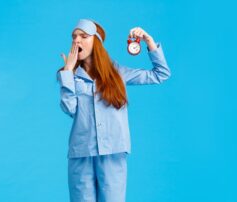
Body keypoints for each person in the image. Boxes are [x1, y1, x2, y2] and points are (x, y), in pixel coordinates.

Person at [57, 19, 171, 202]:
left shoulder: (119, 73)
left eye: (83, 36)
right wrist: (68, 73)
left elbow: (161, 74)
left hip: (113, 152)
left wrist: (149, 42)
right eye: (74, 37)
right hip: (81, 153)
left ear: (96, 42)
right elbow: (69, 108)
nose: (76, 41)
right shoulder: (69, 76)